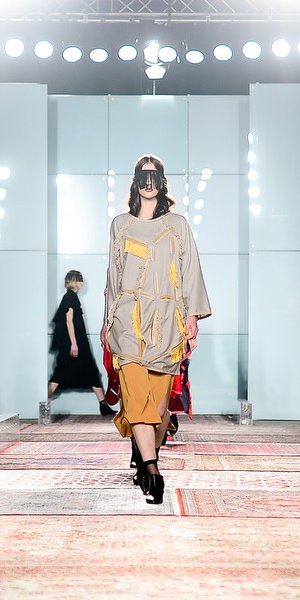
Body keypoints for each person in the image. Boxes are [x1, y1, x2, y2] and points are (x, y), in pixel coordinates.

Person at [100, 156, 209, 504]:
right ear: (135, 182)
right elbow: (113, 275)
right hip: (128, 320)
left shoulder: (177, 225)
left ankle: (146, 454)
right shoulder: (120, 225)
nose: (148, 183)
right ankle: (152, 471)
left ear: (162, 182)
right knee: (136, 398)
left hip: (166, 322)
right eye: (142, 176)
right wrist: (106, 322)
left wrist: (193, 316)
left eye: (154, 176)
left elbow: (190, 270)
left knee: (160, 410)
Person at [49, 268, 109, 413]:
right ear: (74, 281)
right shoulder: (70, 297)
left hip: (77, 343)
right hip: (73, 344)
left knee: (90, 371)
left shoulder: (70, 297)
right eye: (80, 280)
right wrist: (74, 344)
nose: (82, 283)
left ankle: (103, 405)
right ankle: (42, 403)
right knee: (60, 374)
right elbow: (69, 321)